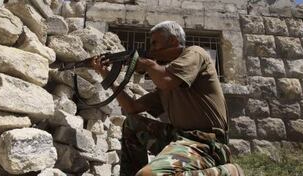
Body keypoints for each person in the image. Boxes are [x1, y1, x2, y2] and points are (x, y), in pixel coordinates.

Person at [92, 21, 242, 176]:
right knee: (132, 123)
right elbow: (132, 107)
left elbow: (166, 80)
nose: (151, 50)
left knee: (148, 175)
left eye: (155, 43)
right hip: (179, 138)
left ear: (172, 41)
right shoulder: (165, 84)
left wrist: (146, 64)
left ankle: (228, 172)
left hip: (207, 144)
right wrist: (106, 75)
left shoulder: (195, 53)